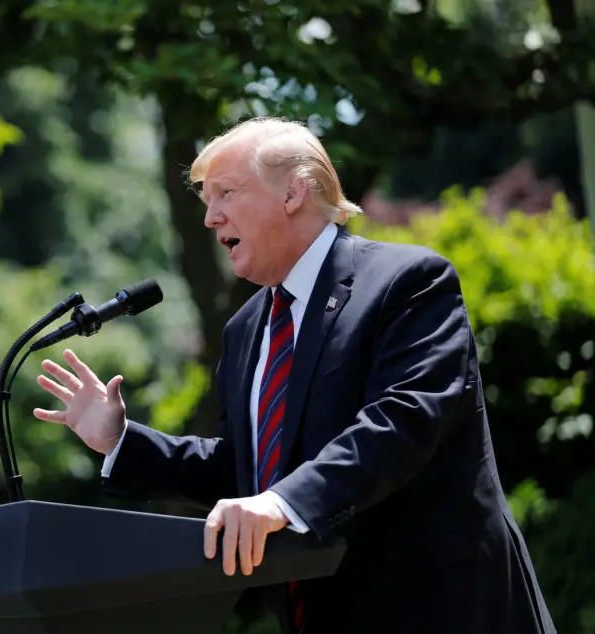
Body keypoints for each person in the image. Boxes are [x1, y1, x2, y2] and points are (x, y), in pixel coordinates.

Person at [32, 117, 556, 634]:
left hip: (441, 608)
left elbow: (404, 422)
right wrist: (120, 441)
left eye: (227, 193)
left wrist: (281, 503)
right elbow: (245, 473)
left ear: (293, 193)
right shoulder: (245, 329)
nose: (211, 218)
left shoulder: (408, 282)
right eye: (206, 200)